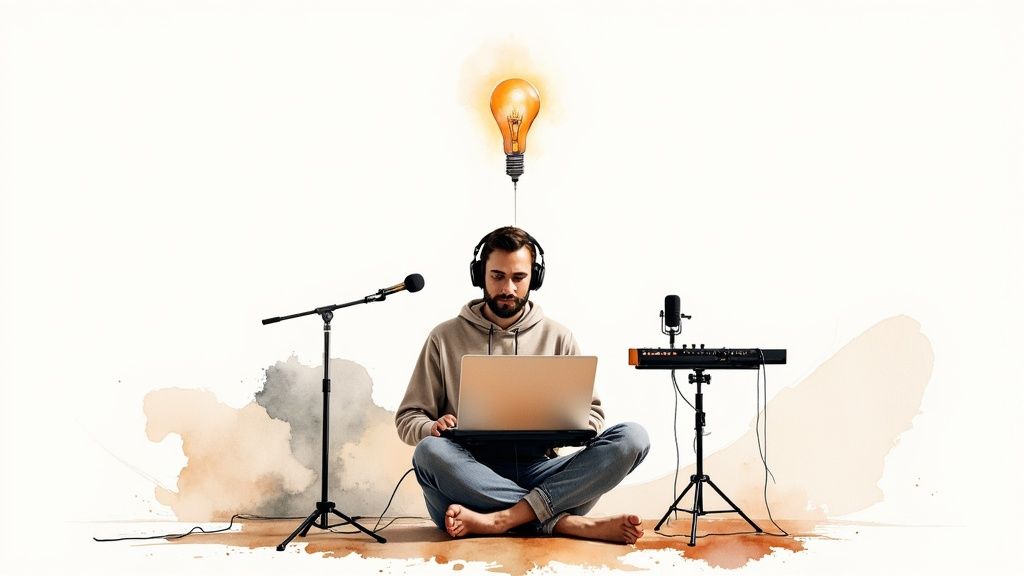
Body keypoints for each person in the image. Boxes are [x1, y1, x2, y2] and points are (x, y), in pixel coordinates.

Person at [395, 226, 650, 544]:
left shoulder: (559, 336)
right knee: (429, 452)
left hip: (540, 472)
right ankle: (561, 523)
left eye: (518, 277)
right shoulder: (443, 337)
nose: (508, 288)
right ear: (480, 275)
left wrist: (568, 422)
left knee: (633, 437)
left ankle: (502, 520)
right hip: (468, 477)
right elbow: (408, 419)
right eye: (497, 276)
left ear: (535, 278)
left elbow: (594, 417)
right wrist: (432, 427)